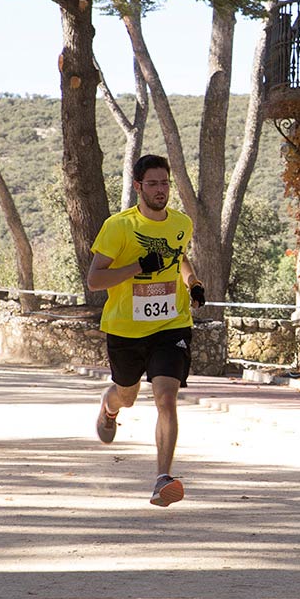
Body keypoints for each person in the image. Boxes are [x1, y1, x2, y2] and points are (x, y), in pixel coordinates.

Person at [88, 154, 205, 507]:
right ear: (138, 186)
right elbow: (95, 280)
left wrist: (193, 282)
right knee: (127, 395)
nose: (160, 190)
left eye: (164, 183)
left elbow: (179, 256)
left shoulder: (181, 222)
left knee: (166, 397)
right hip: (126, 329)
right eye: (152, 184)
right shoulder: (118, 226)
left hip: (171, 325)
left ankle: (162, 478)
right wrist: (138, 266)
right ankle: (109, 407)